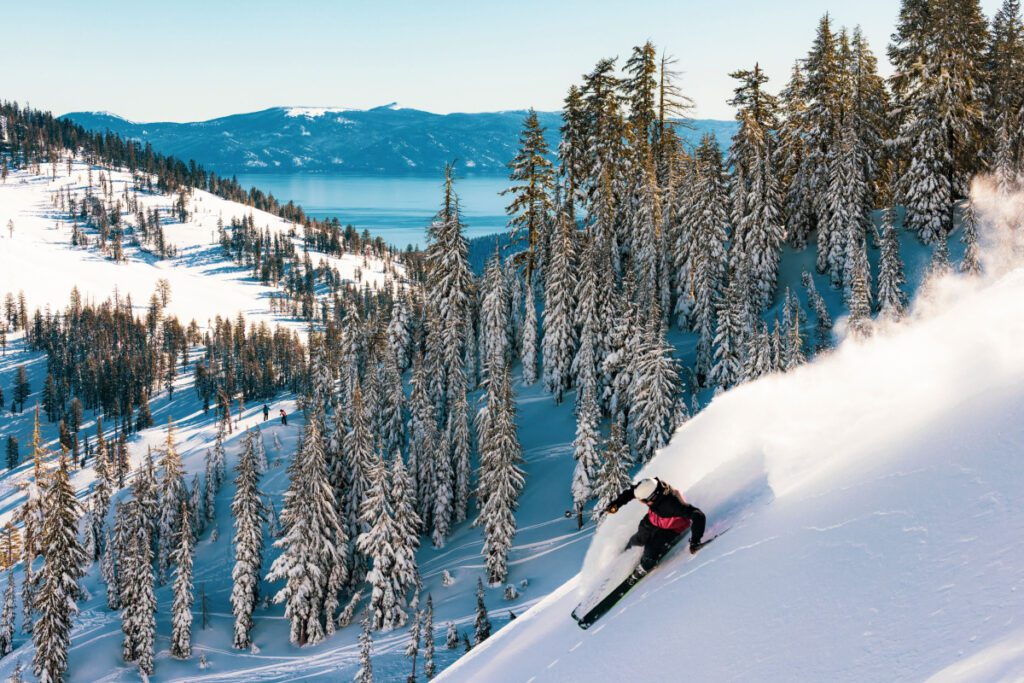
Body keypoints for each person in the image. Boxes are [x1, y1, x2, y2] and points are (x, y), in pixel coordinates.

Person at [605, 477, 706, 574]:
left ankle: (645, 566)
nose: (641, 502)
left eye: (643, 501)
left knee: (651, 548)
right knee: (639, 537)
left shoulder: (672, 505)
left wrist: (695, 541)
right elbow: (632, 492)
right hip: (654, 518)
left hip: (672, 527)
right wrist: (616, 504)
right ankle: (624, 554)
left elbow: (698, 515)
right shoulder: (651, 486)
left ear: (652, 498)